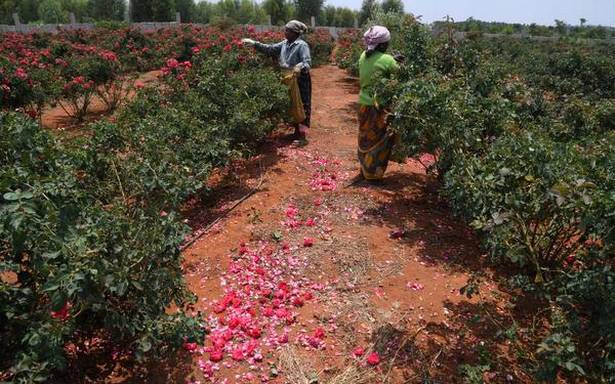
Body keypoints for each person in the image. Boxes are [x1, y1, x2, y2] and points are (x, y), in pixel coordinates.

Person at [242, 21, 312, 143]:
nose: (285, 32)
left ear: (295, 33)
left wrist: (299, 66)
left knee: (302, 104)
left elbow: (307, 62)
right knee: (291, 104)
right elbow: (270, 49)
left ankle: (302, 136)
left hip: (299, 78)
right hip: (287, 77)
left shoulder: (302, 45)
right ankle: (296, 132)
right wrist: (254, 44)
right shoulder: (284, 44)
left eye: (287, 30)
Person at [356, 25, 400, 182]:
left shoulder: (363, 56)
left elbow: (376, 66)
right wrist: (399, 62)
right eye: (387, 43)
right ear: (382, 45)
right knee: (381, 139)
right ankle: (374, 175)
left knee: (365, 137)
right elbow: (400, 76)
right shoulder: (388, 60)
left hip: (363, 103)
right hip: (378, 106)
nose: (388, 45)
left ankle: (364, 169)